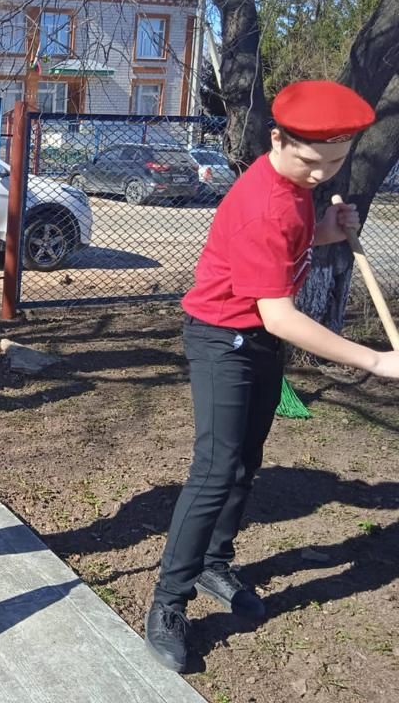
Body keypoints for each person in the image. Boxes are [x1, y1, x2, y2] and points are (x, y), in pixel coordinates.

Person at [145, 80, 399, 671]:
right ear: (276, 139)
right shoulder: (264, 202)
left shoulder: (289, 187)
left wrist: (329, 228)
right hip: (222, 341)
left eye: (336, 163)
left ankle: (213, 563)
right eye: (313, 162)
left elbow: (291, 244)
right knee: (214, 470)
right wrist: (375, 360)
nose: (322, 174)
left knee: (244, 462)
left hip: (255, 339)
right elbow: (280, 313)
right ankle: (168, 602)